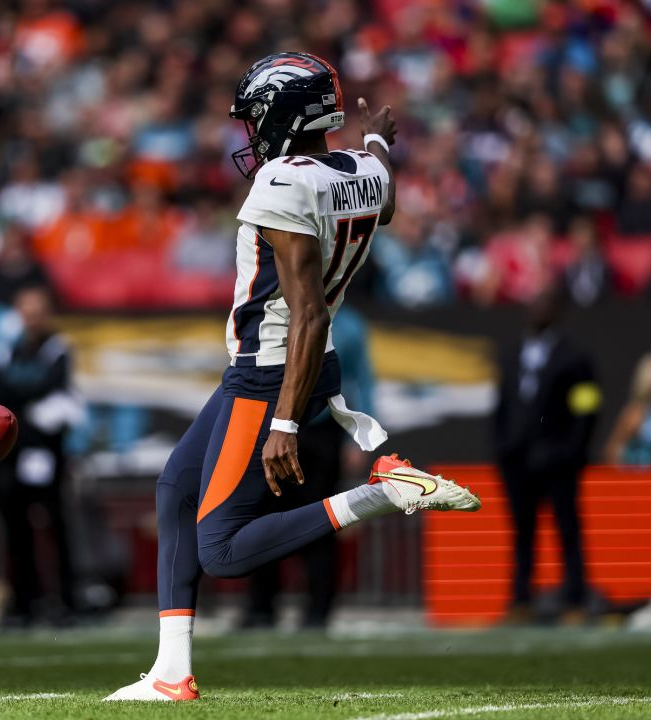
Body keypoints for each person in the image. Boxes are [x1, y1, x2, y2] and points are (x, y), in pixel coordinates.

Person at [106, 53, 480, 703]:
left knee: (220, 549)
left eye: (257, 118)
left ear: (285, 113)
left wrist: (284, 420)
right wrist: (375, 141)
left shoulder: (283, 181)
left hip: (273, 372)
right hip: (284, 362)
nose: (251, 134)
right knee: (175, 488)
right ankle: (170, 672)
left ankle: (381, 493)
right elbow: (383, 198)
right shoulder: (362, 169)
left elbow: (305, 312)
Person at [242, 304, 378, 630]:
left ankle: (318, 610)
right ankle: (261, 607)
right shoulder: (272, 313)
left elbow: (362, 380)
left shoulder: (348, 325)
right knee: (262, 517)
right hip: (271, 427)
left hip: (320, 430)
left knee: (319, 521)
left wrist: (357, 438)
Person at [492, 287, 601, 624]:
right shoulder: (511, 354)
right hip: (518, 460)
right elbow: (503, 404)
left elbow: (587, 408)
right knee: (522, 531)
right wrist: (502, 448)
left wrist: (572, 451)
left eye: (545, 304)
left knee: (567, 528)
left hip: (557, 461)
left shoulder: (574, 357)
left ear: (557, 311)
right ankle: (521, 599)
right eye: (533, 303)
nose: (537, 310)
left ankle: (575, 597)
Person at [0, 285, 85, 625]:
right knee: (14, 528)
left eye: (37, 309)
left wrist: (24, 410)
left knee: (55, 527)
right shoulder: (7, 351)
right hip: (12, 453)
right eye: (25, 310)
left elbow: (55, 396)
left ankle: (64, 599)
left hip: (46, 452)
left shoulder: (57, 348)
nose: (31, 317)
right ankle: (24, 600)